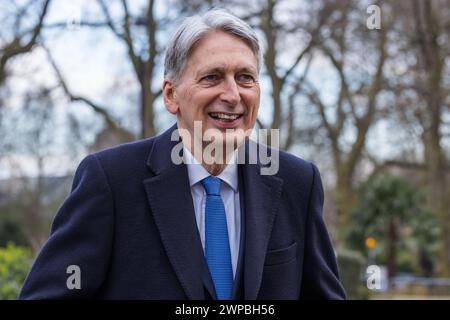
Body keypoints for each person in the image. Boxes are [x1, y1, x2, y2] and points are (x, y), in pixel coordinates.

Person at [19, 9, 346, 300]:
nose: (232, 95)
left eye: (245, 77)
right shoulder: (111, 181)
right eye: (212, 77)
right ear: (171, 95)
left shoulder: (297, 183)